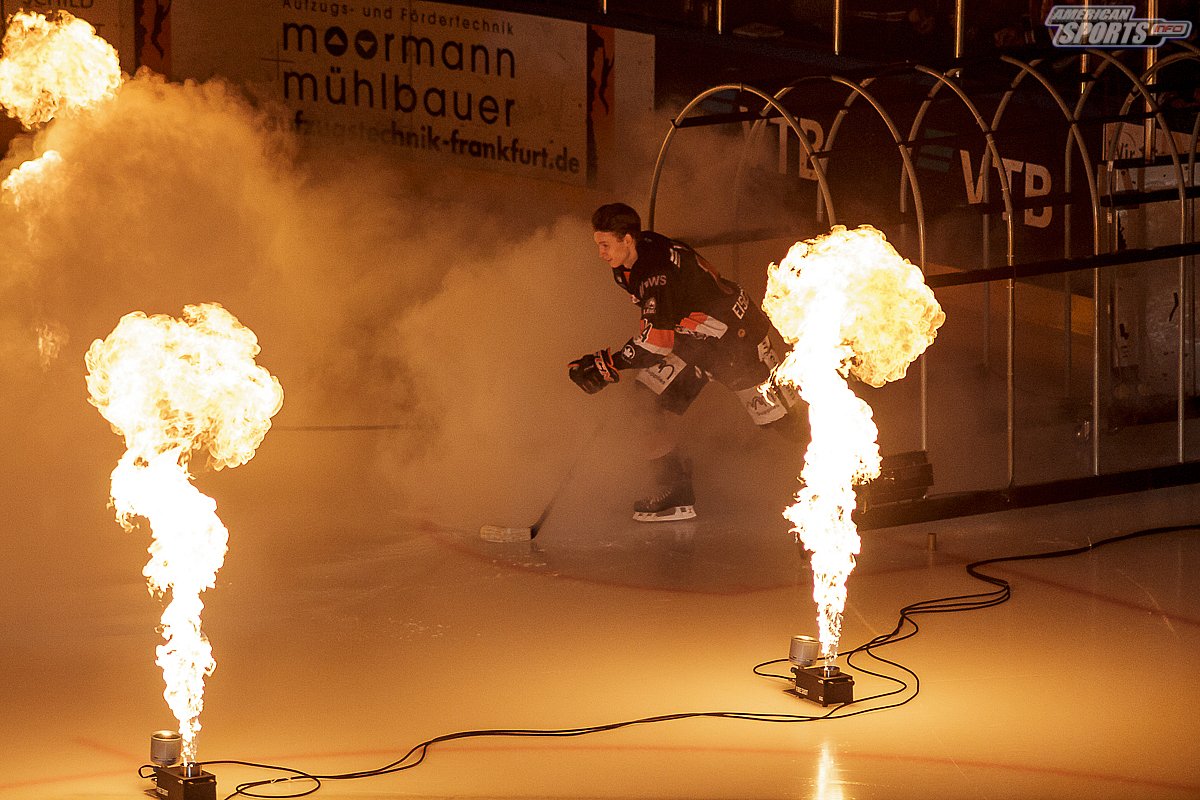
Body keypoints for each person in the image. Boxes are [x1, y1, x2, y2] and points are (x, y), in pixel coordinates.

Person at [568, 202, 808, 522]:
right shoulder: (636, 254)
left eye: (605, 245)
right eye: (598, 244)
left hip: (737, 344)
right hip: (695, 343)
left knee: (784, 423)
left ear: (628, 239)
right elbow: (658, 330)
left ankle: (849, 467)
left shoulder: (654, 273)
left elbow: (657, 342)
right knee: (644, 401)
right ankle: (676, 489)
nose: (600, 253)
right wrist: (614, 361)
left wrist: (608, 363)